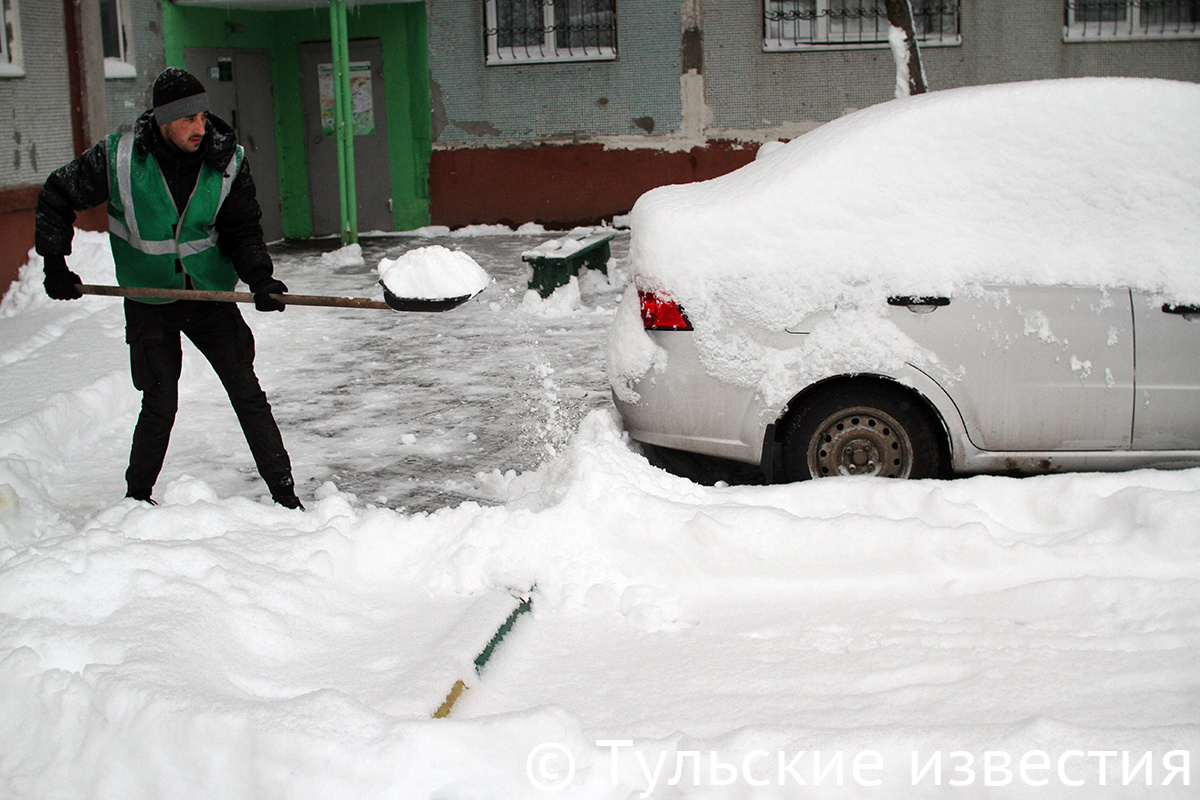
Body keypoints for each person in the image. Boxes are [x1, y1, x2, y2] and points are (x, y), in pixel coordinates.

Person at [35, 67, 303, 510]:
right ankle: (136, 501)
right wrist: (54, 263)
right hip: (150, 298)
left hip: (210, 296)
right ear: (162, 121)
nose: (200, 127)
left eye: (202, 116)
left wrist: (260, 278)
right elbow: (57, 194)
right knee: (160, 400)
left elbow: (243, 227)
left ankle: (286, 496)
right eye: (187, 119)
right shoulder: (120, 158)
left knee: (247, 392)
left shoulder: (226, 160)